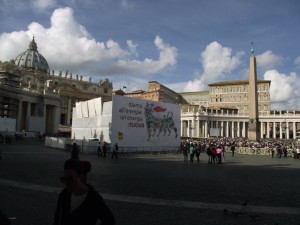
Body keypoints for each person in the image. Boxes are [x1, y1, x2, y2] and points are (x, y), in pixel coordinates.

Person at [54, 159, 115, 225]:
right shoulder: (64, 194)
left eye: (70, 179)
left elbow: (109, 220)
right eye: (64, 179)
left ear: (81, 177)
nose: (66, 183)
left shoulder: (94, 199)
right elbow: (57, 219)